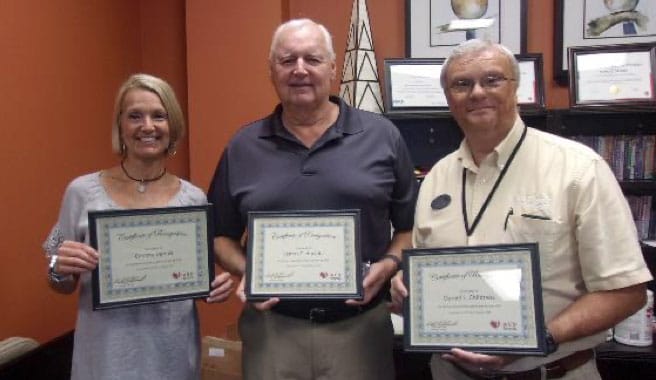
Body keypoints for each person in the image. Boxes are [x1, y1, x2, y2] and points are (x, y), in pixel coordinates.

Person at [391, 39, 653, 379]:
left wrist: (540, 339)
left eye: (492, 80)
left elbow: (627, 292)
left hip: (551, 371)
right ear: (447, 97)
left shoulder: (578, 169)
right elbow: (428, 263)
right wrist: (405, 284)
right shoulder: (436, 176)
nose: (477, 93)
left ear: (518, 88)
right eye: (461, 84)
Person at [207, 18, 417, 380]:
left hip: (360, 331)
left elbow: (410, 228)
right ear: (271, 71)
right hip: (272, 331)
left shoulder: (382, 136)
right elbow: (219, 236)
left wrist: (386, 267)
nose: (300, 70)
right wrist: (249, 273)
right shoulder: (243, 146)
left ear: (333, 67)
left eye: (313, 59)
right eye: (287, 60)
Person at [43, 73, 234, 380]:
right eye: (135, 116)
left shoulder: (193, 199)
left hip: (172, 359)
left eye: (159, 116)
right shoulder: (82, 192)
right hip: (105, 360)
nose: (148, 126)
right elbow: (59, 283)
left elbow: (191, 280)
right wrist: (59, 266)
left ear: (172, 125)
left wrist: (211, 287)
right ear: (121, 125)